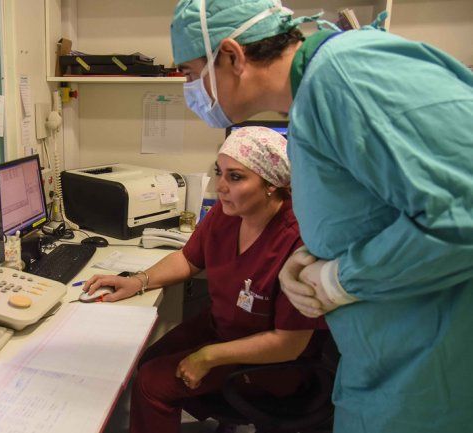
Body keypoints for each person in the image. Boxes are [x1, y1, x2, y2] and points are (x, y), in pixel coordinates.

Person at [168, 1, 473, 432]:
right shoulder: (311, 101)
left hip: (434, 364)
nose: (188, 87)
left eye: (189, 72)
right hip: (383, 355)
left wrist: (343, 277)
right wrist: (318, 254)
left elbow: (462, 212)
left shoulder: (347, 76)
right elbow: (377, 206)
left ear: (233, 56)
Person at [84, 127, 326, 433]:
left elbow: (288, 344)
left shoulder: (300, 243)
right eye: (219, 173)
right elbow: (188, 258)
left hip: (274, 362)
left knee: (152, 383)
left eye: (235, 177)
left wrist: (208, 357)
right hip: (224, 328)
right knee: (147, 360)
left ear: (271, 183)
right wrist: (139, 280)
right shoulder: (227, 214)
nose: (219, 186)